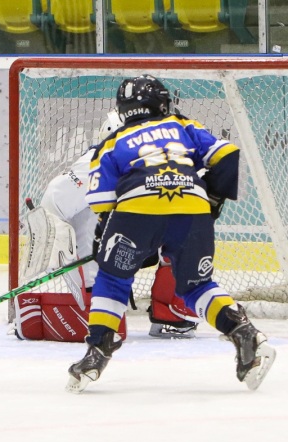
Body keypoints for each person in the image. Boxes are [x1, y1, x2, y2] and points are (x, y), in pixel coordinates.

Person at [66, 74, 276, 393]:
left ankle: (97, 352)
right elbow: (227, 154)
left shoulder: (111, 142)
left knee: (112, 278)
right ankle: (243, 332)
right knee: (196, 285)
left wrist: (113, 240)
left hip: (136, 210)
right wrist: (213, 201)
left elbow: (101, 201)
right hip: (192, 205)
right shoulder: (183, 126)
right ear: (161, 103)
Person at [39, 110, 198, 339]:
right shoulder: (96, 161)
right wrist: (56, 249)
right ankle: (161, 309)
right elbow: (53, 203)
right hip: (94, 272)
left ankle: (170, 315)